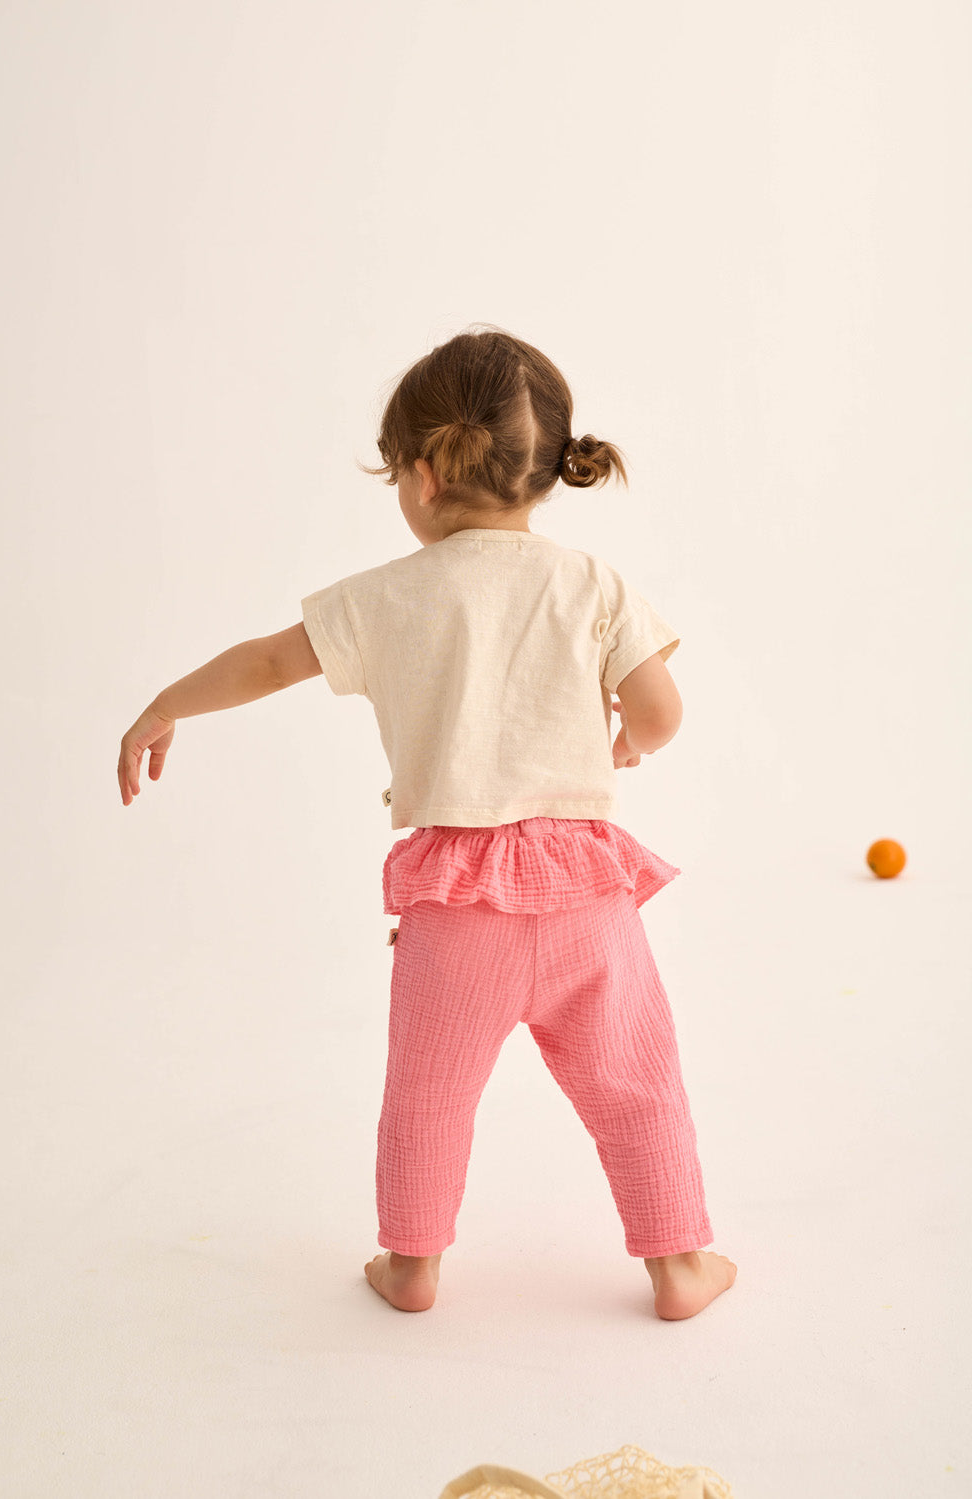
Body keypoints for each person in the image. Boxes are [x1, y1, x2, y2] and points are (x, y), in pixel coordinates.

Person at [118, 324, 737, 1322]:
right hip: (585, 891)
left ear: (419, 476)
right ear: (547, 472)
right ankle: (679, 1265)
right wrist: (623, 742)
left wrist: (166, 705)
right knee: (637, 1082)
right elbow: (661, 713)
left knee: (428, 1093)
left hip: (454, 902)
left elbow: (268, 660)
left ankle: (411, 1261)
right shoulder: (592, 583)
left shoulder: (384, 597)